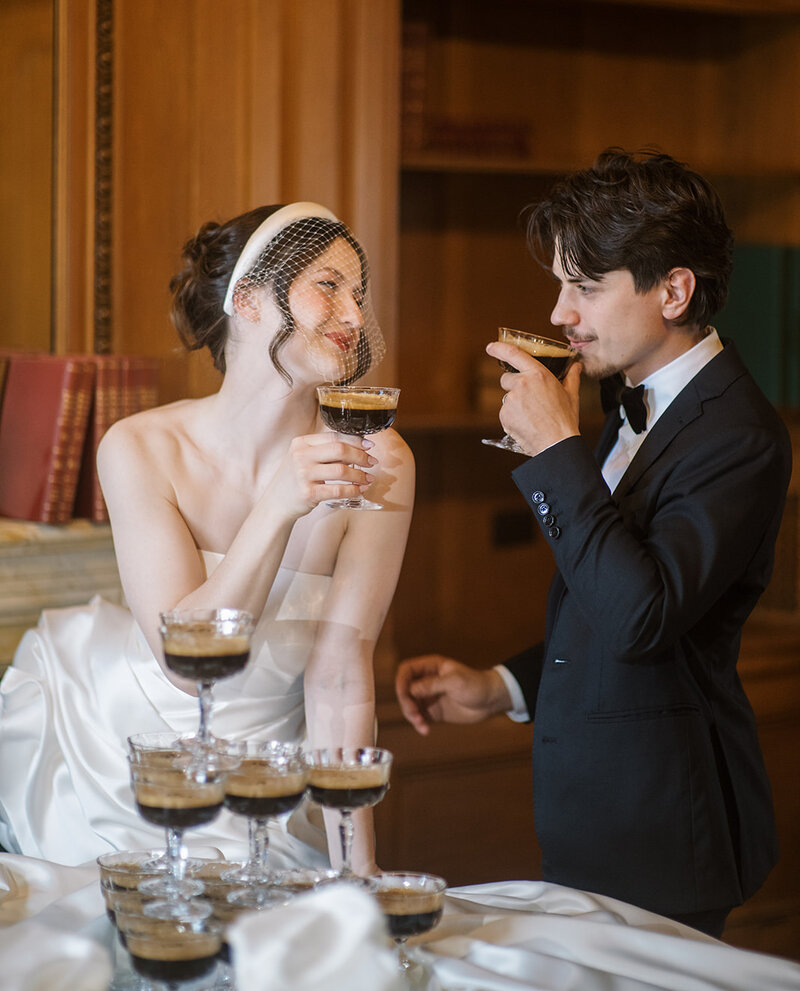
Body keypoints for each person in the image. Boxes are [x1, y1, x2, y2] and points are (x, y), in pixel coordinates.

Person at [395, 149, 792, 938]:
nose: (558, 313)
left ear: (673, 290)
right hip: (590, 818)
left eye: (584, 286)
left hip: (665, 826)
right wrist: (500, 685)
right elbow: (599, 591)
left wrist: (553, 450)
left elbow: (641, 618)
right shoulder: (627, 400)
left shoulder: (740, 434)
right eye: (560, 285)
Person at [0, 201, 414, 873]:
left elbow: (339, 674)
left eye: (359, 295)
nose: (355, 317)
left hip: (272, 772)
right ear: (248, 300)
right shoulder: (139, 446)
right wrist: (279, 505)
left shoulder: (380, 458)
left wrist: (356, 871)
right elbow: (180, 659)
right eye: (328, 287)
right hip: (121, 752)